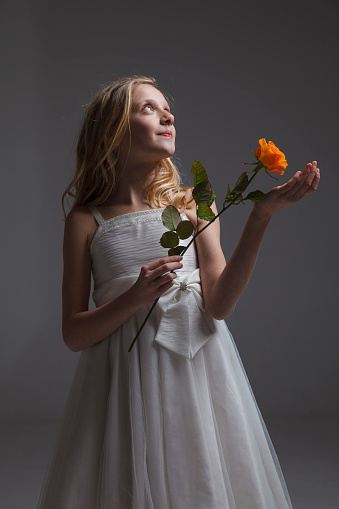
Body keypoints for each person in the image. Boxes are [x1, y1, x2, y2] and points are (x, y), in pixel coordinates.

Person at [38, 76, 320, 509]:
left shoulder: (194, 203)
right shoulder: (85, 220)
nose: (168, 115)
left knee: (198, 476)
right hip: (122, 382)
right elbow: (74, 334)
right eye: (148, 108)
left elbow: (220, 304)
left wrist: (261, 216)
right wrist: (134, 297)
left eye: (168, 108)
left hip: (198, 373)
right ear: (111, 129)